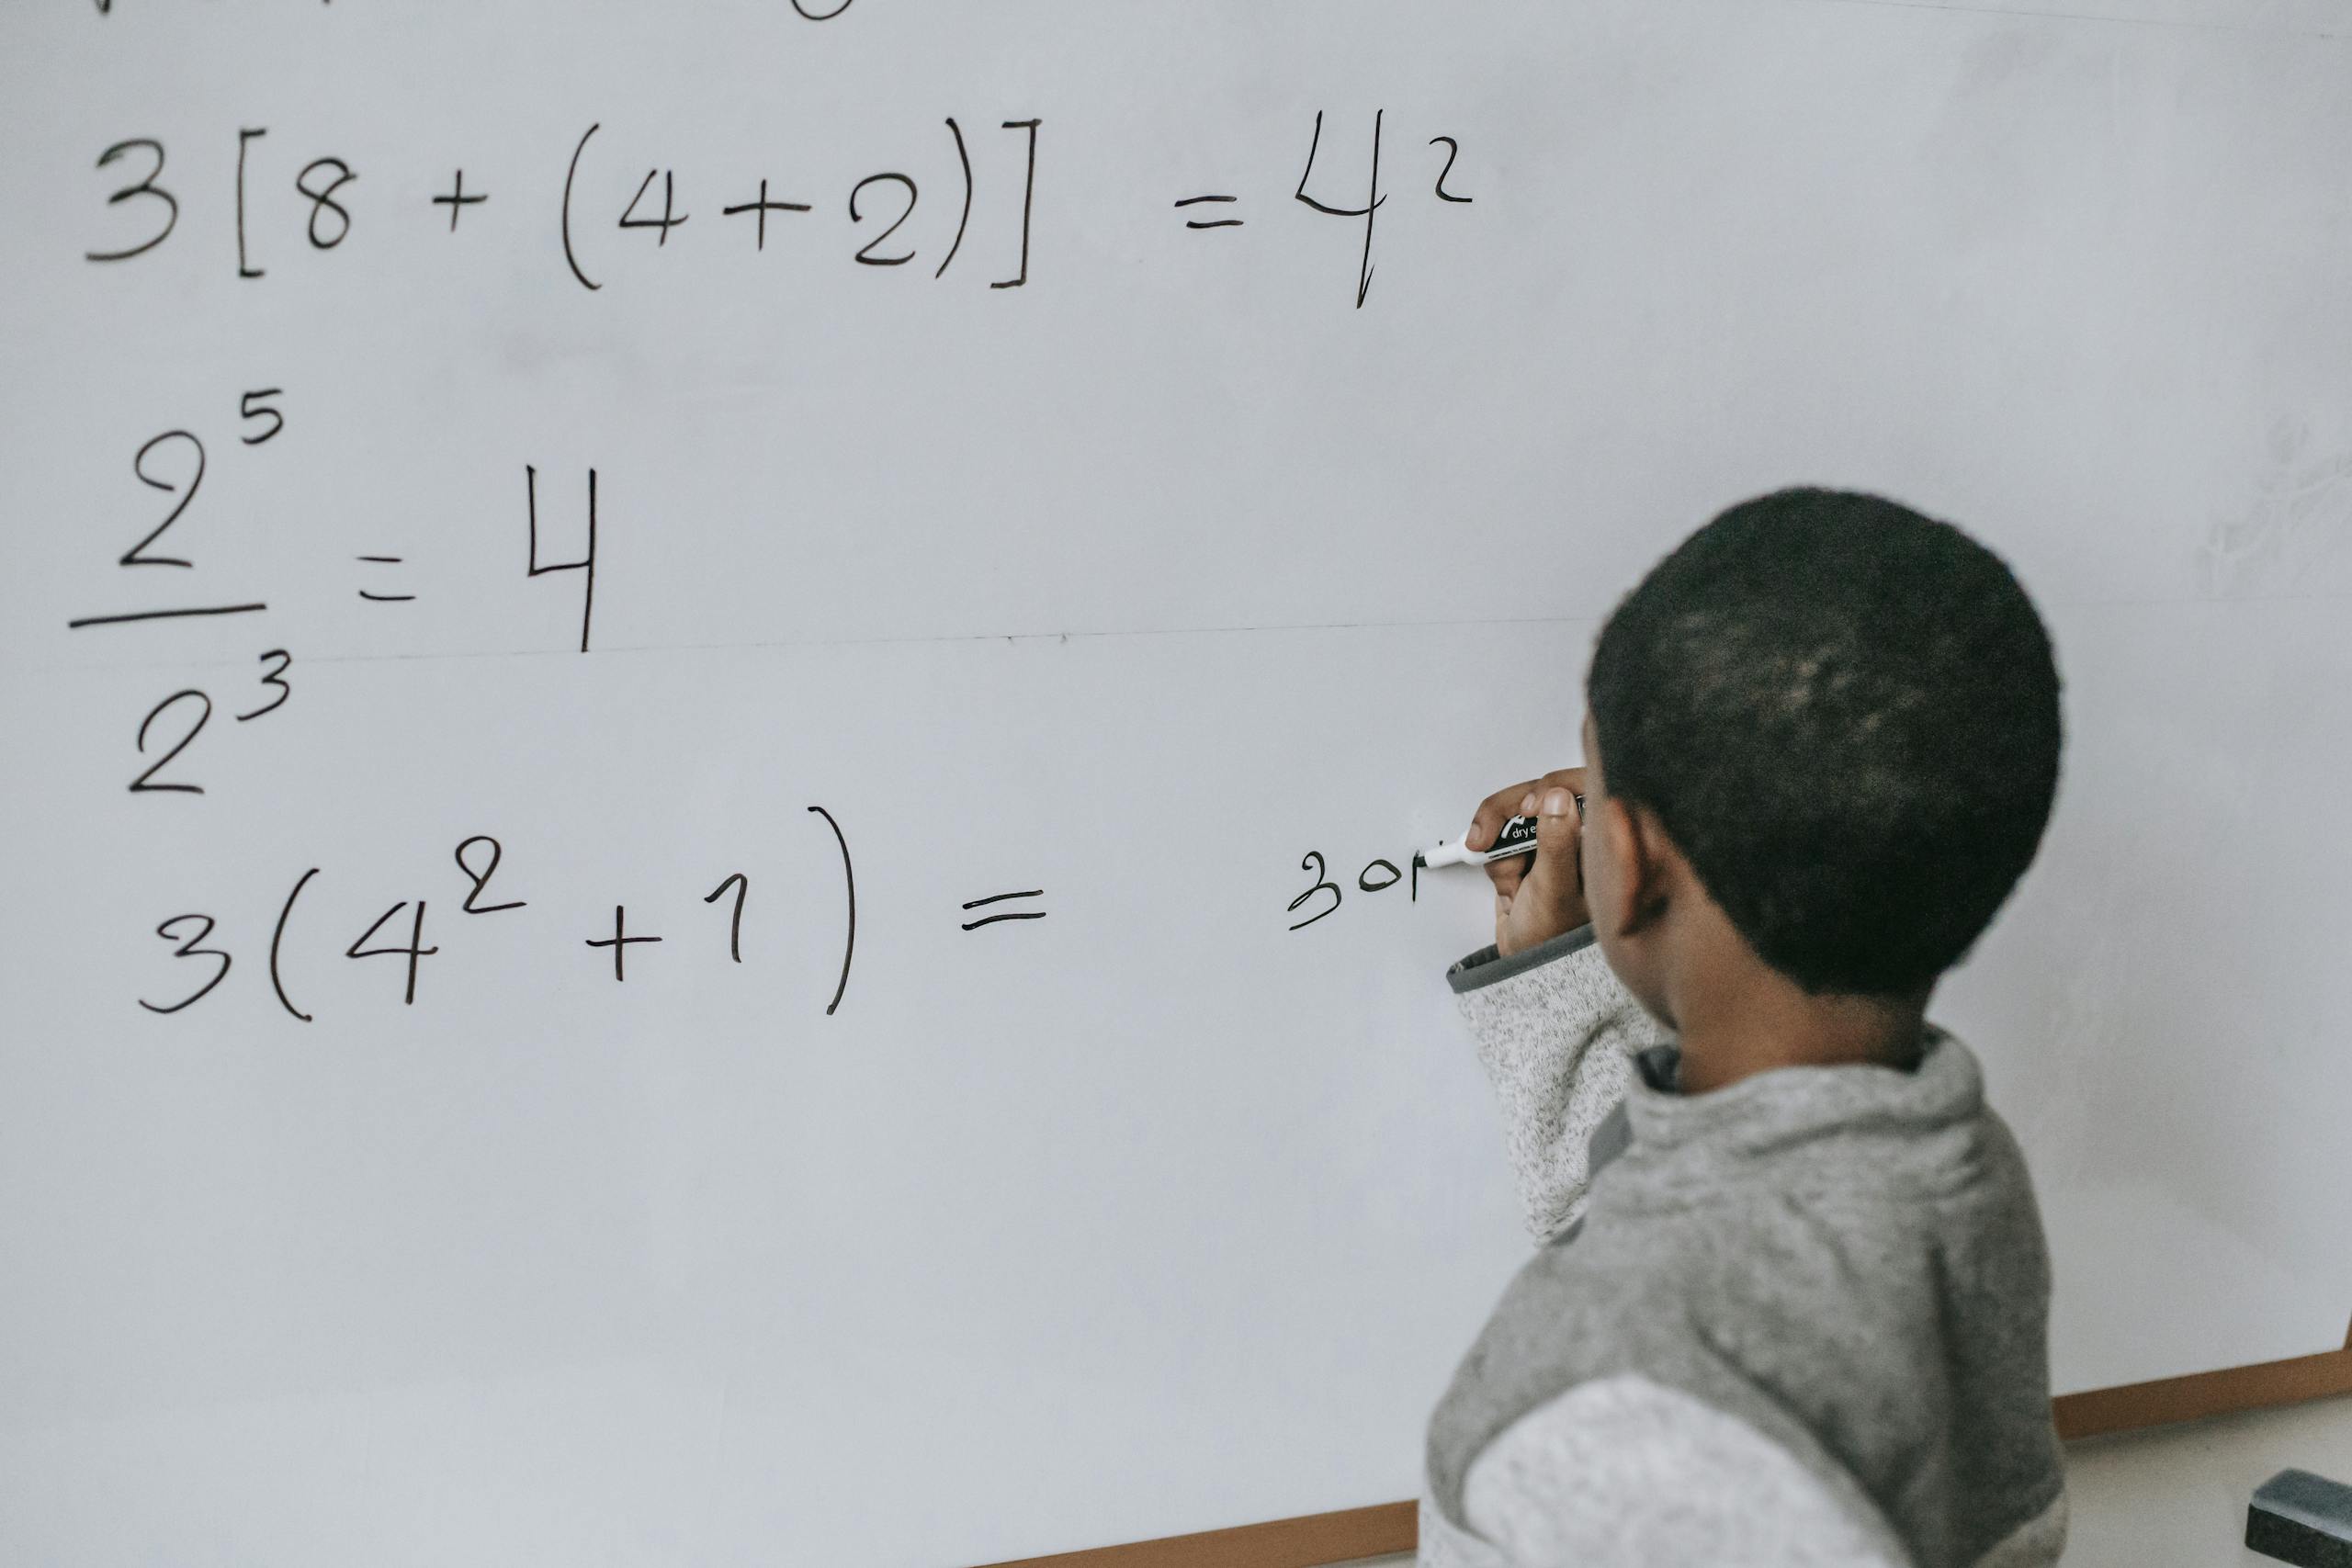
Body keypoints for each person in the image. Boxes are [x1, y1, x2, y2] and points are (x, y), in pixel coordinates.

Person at [1420, 489, 2067, 1568]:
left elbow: (1669, 1290)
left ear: (1624, 866)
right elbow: (1672, 1209)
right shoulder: (1946, 1166)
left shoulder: (1612, 1413)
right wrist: (1564, 961)